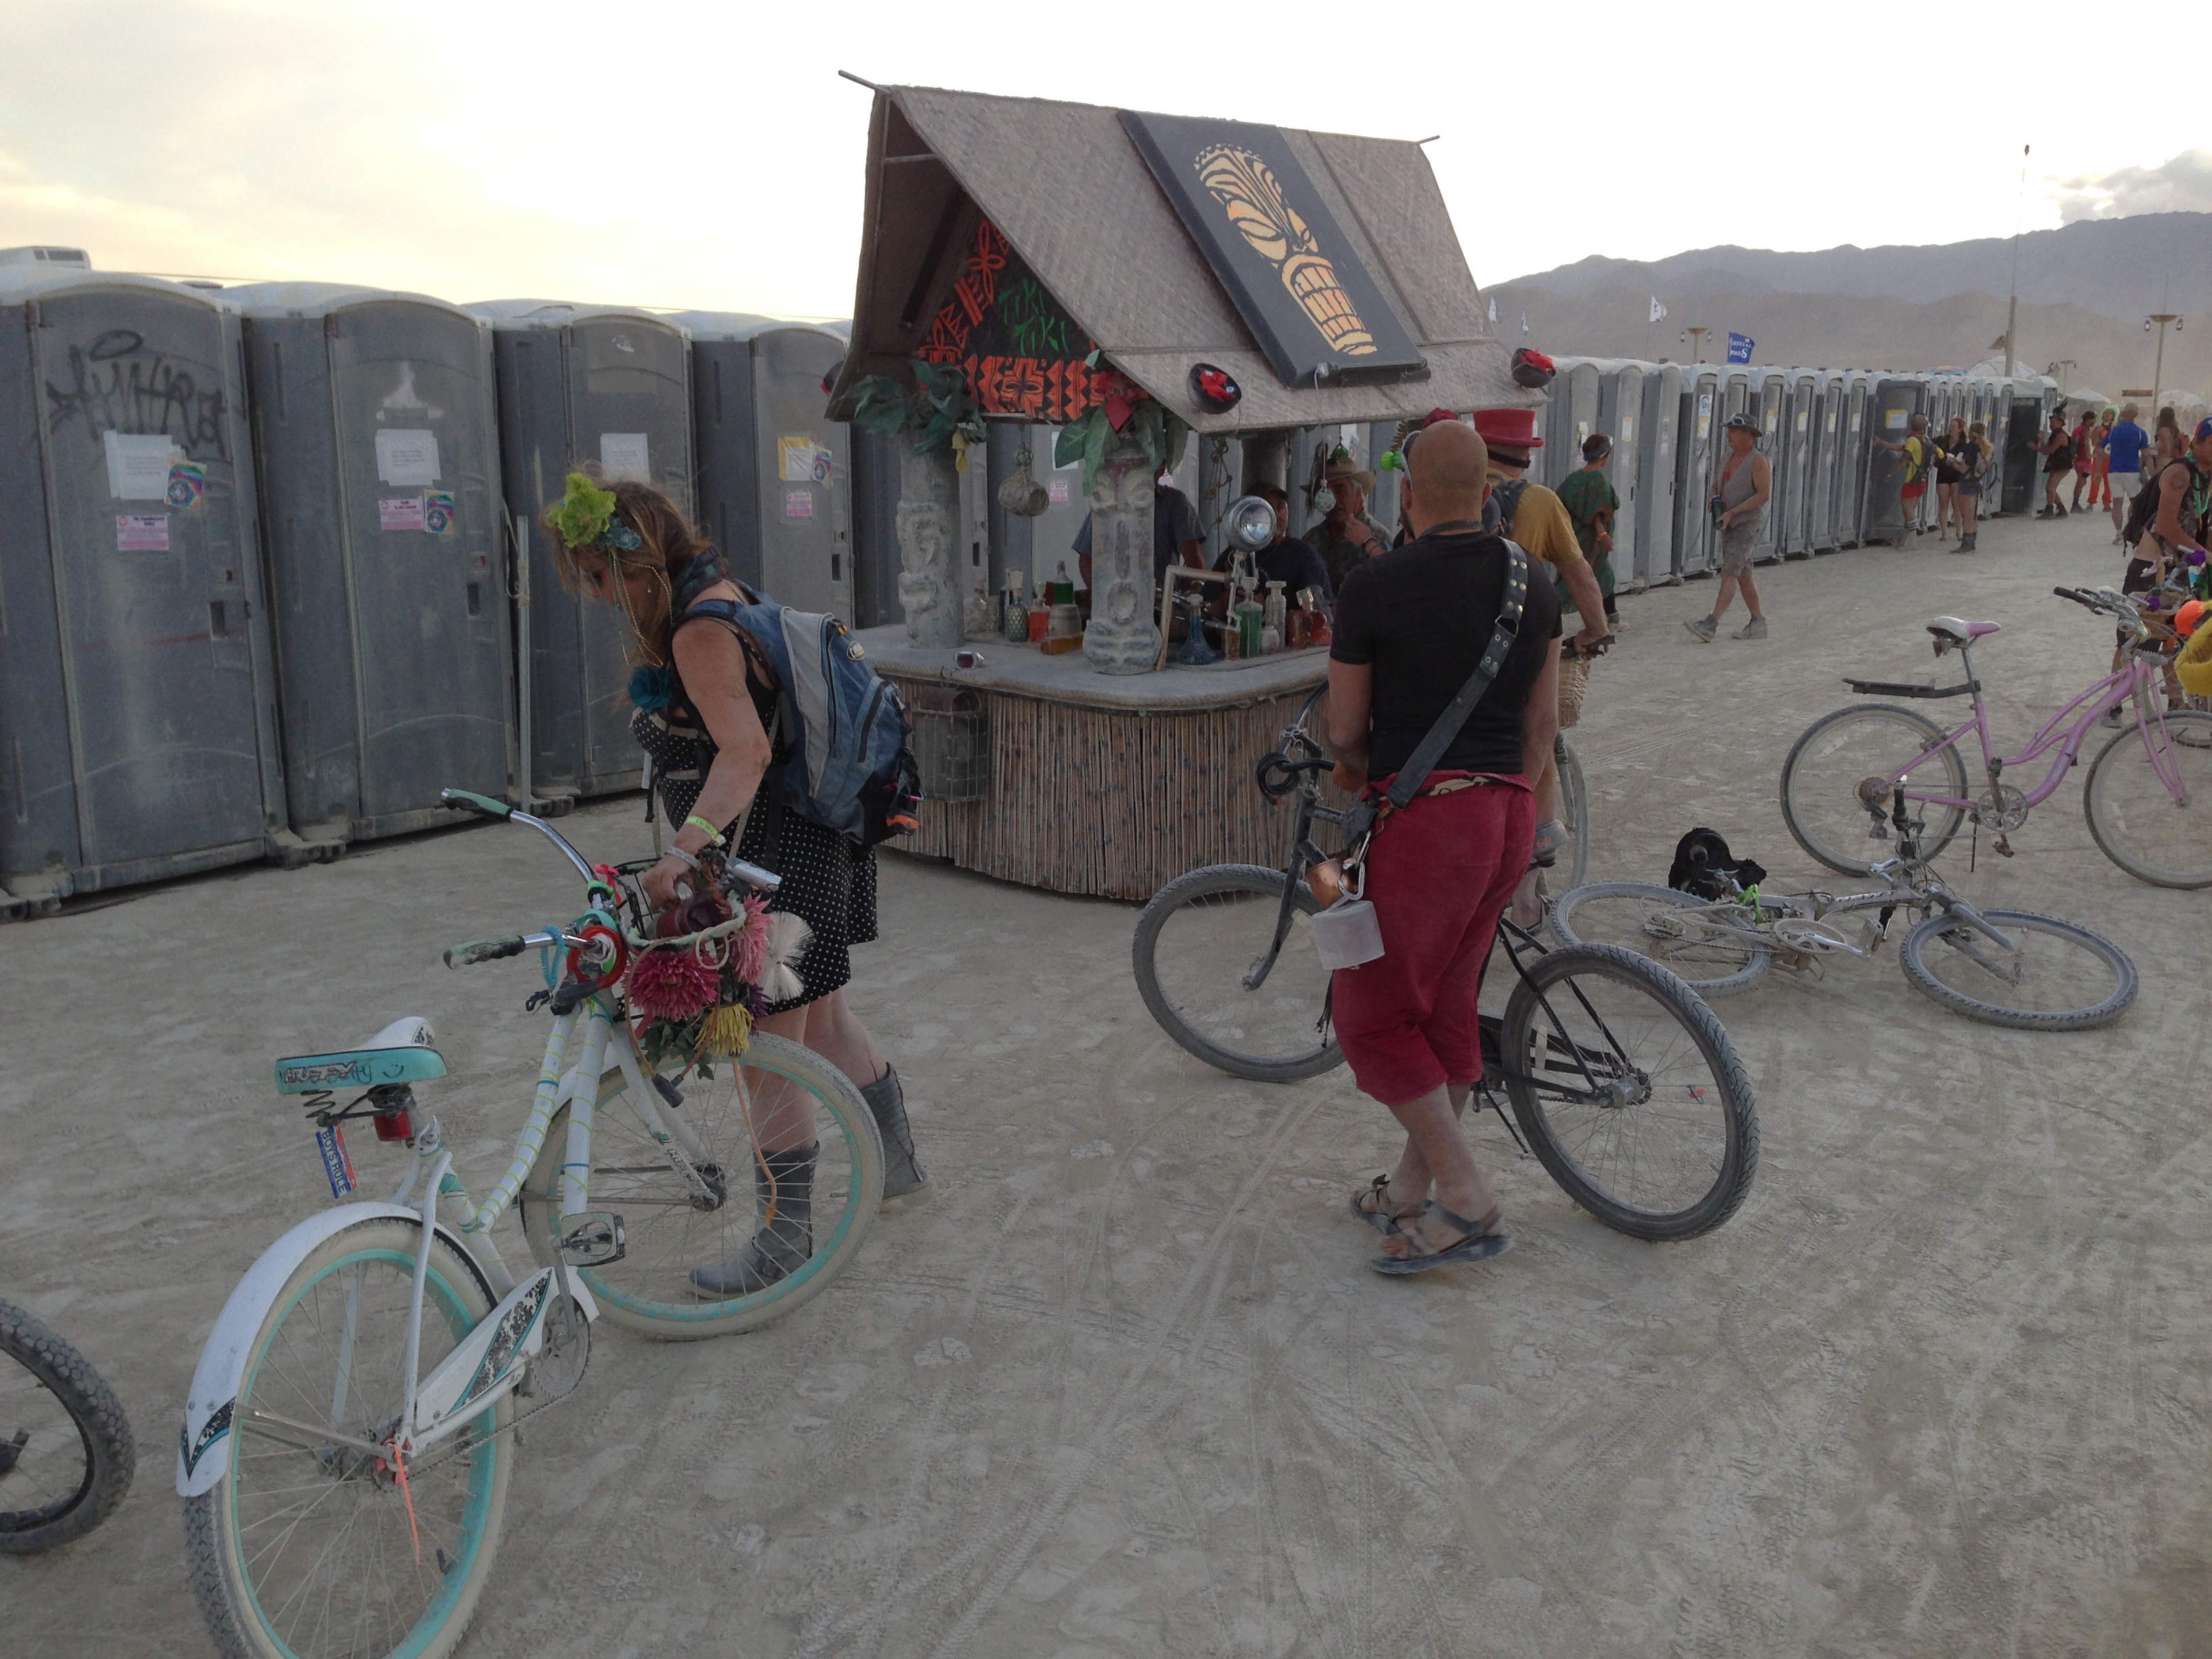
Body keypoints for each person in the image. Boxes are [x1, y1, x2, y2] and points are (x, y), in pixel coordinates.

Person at [541, 472, 927, 1296]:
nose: (597, 594)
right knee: (823, 1022)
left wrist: (683, 852)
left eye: (600, 575)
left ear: (636, 563)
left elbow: (745, 751)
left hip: (767, 859)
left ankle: (784, 1243)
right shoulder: (725, 592)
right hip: (811, 842)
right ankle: (895, 1167)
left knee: (766, 1052)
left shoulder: (697, 632)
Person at [1323, 417, 1561, 1274]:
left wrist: (1364, 771)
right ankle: (1408, 1190)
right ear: (1492, 491)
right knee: (1448, 1011)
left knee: (1373, 1015)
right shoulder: (1533, 583)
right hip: (1505, 817)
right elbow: (1543, 728)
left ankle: (1468, 1201)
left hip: (1430, 826)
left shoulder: (1375, 586)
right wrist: (1521, 817)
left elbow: (1347, 732)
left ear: (1409, 495)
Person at [1470, 405, 1607, 926]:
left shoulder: (1455, 486)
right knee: (1538, 747)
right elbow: (1581, 578)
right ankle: (1526, 897)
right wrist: (1596, 632)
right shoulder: (1542, 502)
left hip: (1453, 648)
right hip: (1516, 650)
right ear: (1528, 452)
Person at [1686, 413, 1771, 641]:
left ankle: (1711, 623)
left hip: (1747, 524)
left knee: (1730, 573)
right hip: (1729, 521)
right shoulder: (1727, 457)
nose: (1729, 435)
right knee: (1743, 574)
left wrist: (1733, 512)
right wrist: (1714, 499)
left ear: (1748, 436)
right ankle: (1758, 622)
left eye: (1733, 432)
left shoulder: (1758, 461)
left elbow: (1764, 494)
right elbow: (1716, 485)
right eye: (1729, 431)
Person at [1073, 468, 1200, 590]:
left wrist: (1195, 592)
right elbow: (1086, 559)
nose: (1144, 472)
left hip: (1163, 602)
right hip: (1117, 601)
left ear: (1162, 469)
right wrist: (1101, 598)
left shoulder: (1174, 502)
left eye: (1152, 465)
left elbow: (1193, 557)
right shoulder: (1109, 502)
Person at [1211, 482, 1331, 605]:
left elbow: (1321, 616)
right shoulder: (1234, 554)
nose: (1276, 516)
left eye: (1280, 507)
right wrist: (1226, 602)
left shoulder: (1304, 555)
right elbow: (1206, 605)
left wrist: (1268, 607)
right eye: (1266, 509)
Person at [1557, 432, 1623, 634]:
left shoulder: (1574, 479)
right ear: (1604, 457)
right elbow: (1597, 513)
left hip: (1574, 537)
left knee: (1597, 576)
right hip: (1591, 542)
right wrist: (1603, 536)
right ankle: (1548, 614)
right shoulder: (1597, 481)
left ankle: (1612, 617)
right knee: (1585, 578)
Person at [1305, 449, 1393, 594]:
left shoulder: (1378, 537)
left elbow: (1392, 583)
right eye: (1326, 494)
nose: (1334, 501)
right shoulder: (1311, 539)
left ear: (1358, 494)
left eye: (1340, 491)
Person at [2103, 403, 2152, 546]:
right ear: (2136, 415)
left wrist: (2099, 472)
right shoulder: (2140, 432)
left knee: (2117, 503)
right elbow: (2146, 454)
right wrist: (2153, 473)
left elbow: (2101, 451)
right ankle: (2131, 530)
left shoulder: (2113, 431)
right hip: (2132, 471)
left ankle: (2118, 533)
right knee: (2134, 502)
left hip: (2114, 470)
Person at [1948, 419, 1992, 554]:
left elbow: (1963, 469)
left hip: (1966, 482)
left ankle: (1966, 544)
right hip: (1976, 482)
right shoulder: (1987, 447)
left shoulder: (1972, 447)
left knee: (1966, 515)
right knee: (1973, 515)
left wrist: (1952, 463)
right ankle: (1972, 541)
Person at [1933, 414, 1969, 541]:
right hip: (1943, 474)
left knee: (1956, 505)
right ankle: (1944, 533)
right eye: (1950, 425)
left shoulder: (1964, 445)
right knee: (1943, 504)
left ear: (1960, 429)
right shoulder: (1942, 441)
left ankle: (1959, 532)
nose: (1951, 428)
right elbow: (1932, 449)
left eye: (1954, 426)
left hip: (1957, 476)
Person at [2039, 410, 2073, 517]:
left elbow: (2050, 450)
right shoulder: (2055, 434)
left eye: (2054, 422)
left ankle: (2049, 510)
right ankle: (2061, 509)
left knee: (2050, 487)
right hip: (2058, 464)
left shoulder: (2061, 436)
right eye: (2051, 421)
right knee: (2051, 488)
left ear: (2061, 423)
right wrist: (2040, 441)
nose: (2051, 424)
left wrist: (2038, 446)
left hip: (2063, 465)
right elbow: (2046, 450)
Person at [2070, 407, 2100, 512]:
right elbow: (2086, 445)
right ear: (2089, 420)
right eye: (2094, 419)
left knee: (2080, 481)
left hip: (2077, 459)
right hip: (2083, 460)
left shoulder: (2077, 429)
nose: (2095, 421)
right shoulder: (2086, 430)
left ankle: (2075, 503)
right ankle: (2075, 504)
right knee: (2081, 482)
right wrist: (2090, 457)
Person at [2090, 408, 2116, 508]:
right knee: (2095, 480)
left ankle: (2107, 503)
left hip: (2110, 458)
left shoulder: (2115, 429)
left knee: (2108, 482)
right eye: (2105, 413)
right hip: (2098, 457)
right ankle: (2092, 501)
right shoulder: (2098, 428)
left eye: (2109, 414)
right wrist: (2097, 433)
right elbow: (2093, 443)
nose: (2106, 415)